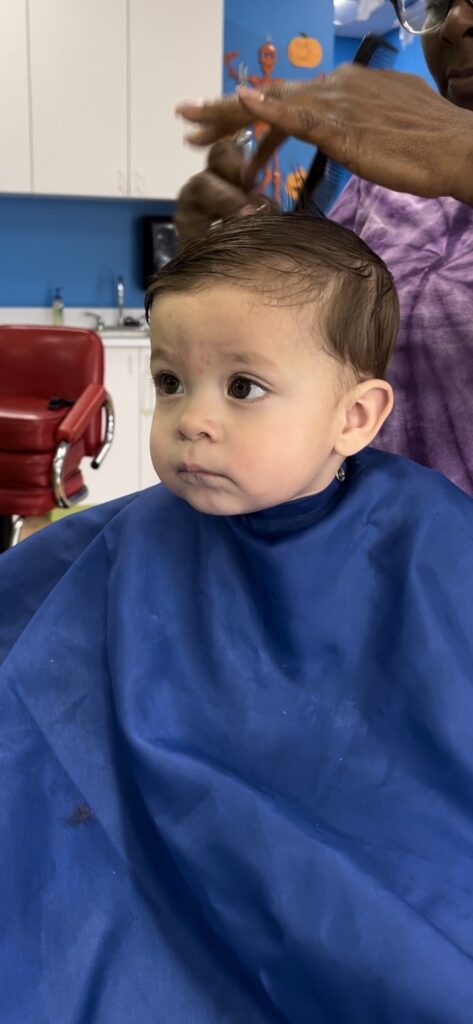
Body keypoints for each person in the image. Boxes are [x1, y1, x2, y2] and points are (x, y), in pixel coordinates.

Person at [2, 213, 473, 1024]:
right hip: (128, 842)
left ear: (354, 418)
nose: (192, 419)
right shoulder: (132, 536)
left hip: (359, 853)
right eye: (171, 382)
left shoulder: (425, 539)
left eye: (243, 388)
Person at [175, 0, 473, 494]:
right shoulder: (382, 183)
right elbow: (300, 352)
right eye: (439, 1)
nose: (456, 23)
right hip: (362, 550)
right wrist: (237, 265)